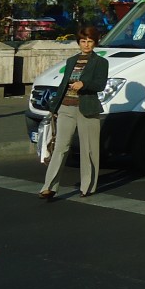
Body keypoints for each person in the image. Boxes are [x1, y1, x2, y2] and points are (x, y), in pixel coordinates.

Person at [39, 25, 108, 200]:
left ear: (95, 43)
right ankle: (49, 187)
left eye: (90, 41)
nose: (86, 45)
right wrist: (54, 108)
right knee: (60, 148)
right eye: (83, 41)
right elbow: (63, 85)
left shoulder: (100, 62)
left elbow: (100, 84)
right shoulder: (71, 61)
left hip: (87, 108)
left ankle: (87, 186)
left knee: (89, 149)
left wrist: (84, 85)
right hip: (66, 108)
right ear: (78, 42)